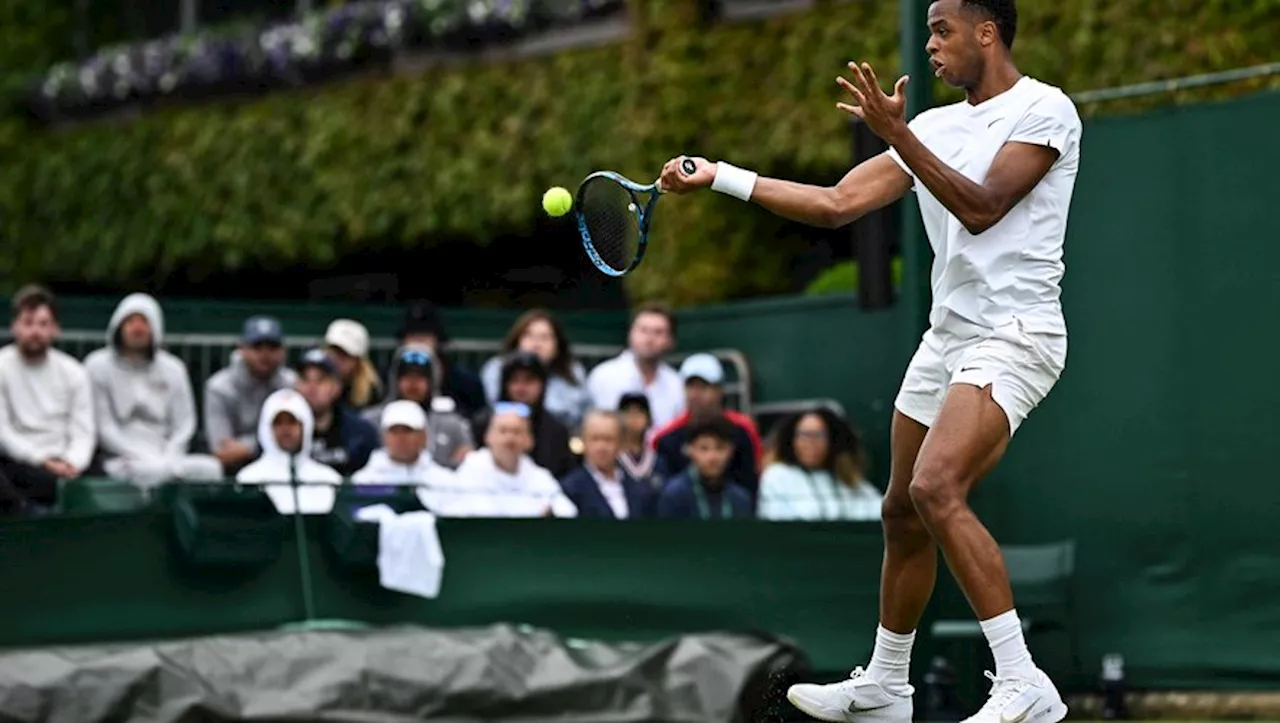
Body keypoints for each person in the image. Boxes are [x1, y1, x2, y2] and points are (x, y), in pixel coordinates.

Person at [659, 1, 1080, 719]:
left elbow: (982, 207)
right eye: (928, 33)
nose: (931, 46)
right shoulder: (933, 127)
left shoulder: (1046, 110)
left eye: (942, 30)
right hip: (946, 337)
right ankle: (887, 685)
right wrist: (722, 175)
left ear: (988, 32)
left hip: (1017, 332)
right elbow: (834, 202)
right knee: (900, 511)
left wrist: (896, 137)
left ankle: (1023, 679)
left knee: (936, 485)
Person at [84, 293, 222, 488]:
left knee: (210, 469)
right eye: (130, 321)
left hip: (169, 456)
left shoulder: (174, 369)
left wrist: (169, 457)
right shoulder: (97, 366)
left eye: (143, 322)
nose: (137, 328)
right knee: (144, 473)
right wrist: (142, 457)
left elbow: (184, 424)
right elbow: (104, 427)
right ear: (118, 326)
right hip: (122, 459)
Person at [0, 285, 95, 513]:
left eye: (43, 324)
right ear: (15, 327)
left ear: (55, 329)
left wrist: (72, 463)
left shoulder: (74, 371)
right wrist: (42, 460)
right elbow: (3, 432)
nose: (35, 331)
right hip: (19, 462)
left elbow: (84, 430)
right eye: (28, 323)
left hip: (68, 465)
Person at [650, 353, 763, 494]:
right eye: (691, 387)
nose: (696, 394)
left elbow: (751, 481)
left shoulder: (743, 429)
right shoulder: (665, 438)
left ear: (719, 390)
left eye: (703, 387)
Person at [204, 316, 297, 475]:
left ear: (283, 351)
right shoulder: (219, 387)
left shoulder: (291, 383)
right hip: (233, 472)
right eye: (257, 347)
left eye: (272, 347)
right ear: (242, 349)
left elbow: (295, 440)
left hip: (283, 466)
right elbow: (221, 450)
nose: (265, 354)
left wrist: (248, 447)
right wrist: (271, 441)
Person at [453, 402, 577, 518]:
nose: (510, 439)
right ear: (488, 437)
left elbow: (567, 512)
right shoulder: (472, 468)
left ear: (529, 440)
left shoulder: (539, 476)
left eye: (517, 432)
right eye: (503, 431)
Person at [757, 409, 882, 521]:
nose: (811, 442)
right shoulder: (777, 476)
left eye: (819, 435)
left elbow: (879, 511)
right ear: (792, 441)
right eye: (804, 435)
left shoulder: (847, 478)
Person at [362, 346, 474, 469]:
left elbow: (466, 462)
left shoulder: (453, 424)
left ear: (432, 381)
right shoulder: (371, 421)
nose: (413, 383)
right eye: (406, 376)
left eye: (420, 377)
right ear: (395, 380)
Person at [479, 309, 590, 431]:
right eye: (529, 336)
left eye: (545, 337)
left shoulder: (573, 371)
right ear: (517, 340)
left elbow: (579, 413)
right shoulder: (497, 368)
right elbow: (497, 405)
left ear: (558, 344)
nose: (536, 344)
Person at [236, 388, 342, 514]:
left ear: (305, 426)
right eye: (278, 423)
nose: (285, 430)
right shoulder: (248, 479)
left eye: (292, 422)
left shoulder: (330, 479)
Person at [585, 302, 684, 429]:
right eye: (643, 330)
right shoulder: (603, 377)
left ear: (671, 340)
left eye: (658, 332)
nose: (649, 339)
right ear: (630, 333)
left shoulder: (677, 385)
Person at [294, 348, 379, 477]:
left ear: (336, 386)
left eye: (321, 379)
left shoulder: (360, 433)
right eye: (305, 379)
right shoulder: (281, 431)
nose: (311, 387)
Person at [351, 400, 457, 501]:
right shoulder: (363, 481)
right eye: (394, 431)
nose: (401, 438)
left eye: (408, 431)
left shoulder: (445, 482)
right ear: (384, 436)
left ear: (423, 436)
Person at [558, 410, 654, 520]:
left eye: (608, 439)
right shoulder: (569, 489)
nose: (601, 447)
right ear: (584, 441)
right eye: (595, 439)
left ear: (621, 443)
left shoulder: (639, 489)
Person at [396, 300, 486, 416]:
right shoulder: (389, 377)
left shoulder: (464, 383)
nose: (418, 343)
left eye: (425, 336)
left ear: (438, 340)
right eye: (412, 336)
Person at [654, 415, 753, 520]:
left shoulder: (741, 499)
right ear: (689, 450)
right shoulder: (674, 496)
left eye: (720, 448)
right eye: (704, 448)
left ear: (730, 450)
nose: (712, 457)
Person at [323, 319, 384, 411]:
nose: (336, 359)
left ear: (358, 361)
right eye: (333, 352)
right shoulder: (312, 384)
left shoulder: (371, 394)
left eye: (344, 355)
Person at [616, 392, 665, 490]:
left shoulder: (657, 460)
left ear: (648, 419)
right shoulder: (612, 460)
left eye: (639, 413)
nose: (633, 418)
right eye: (628, 412)